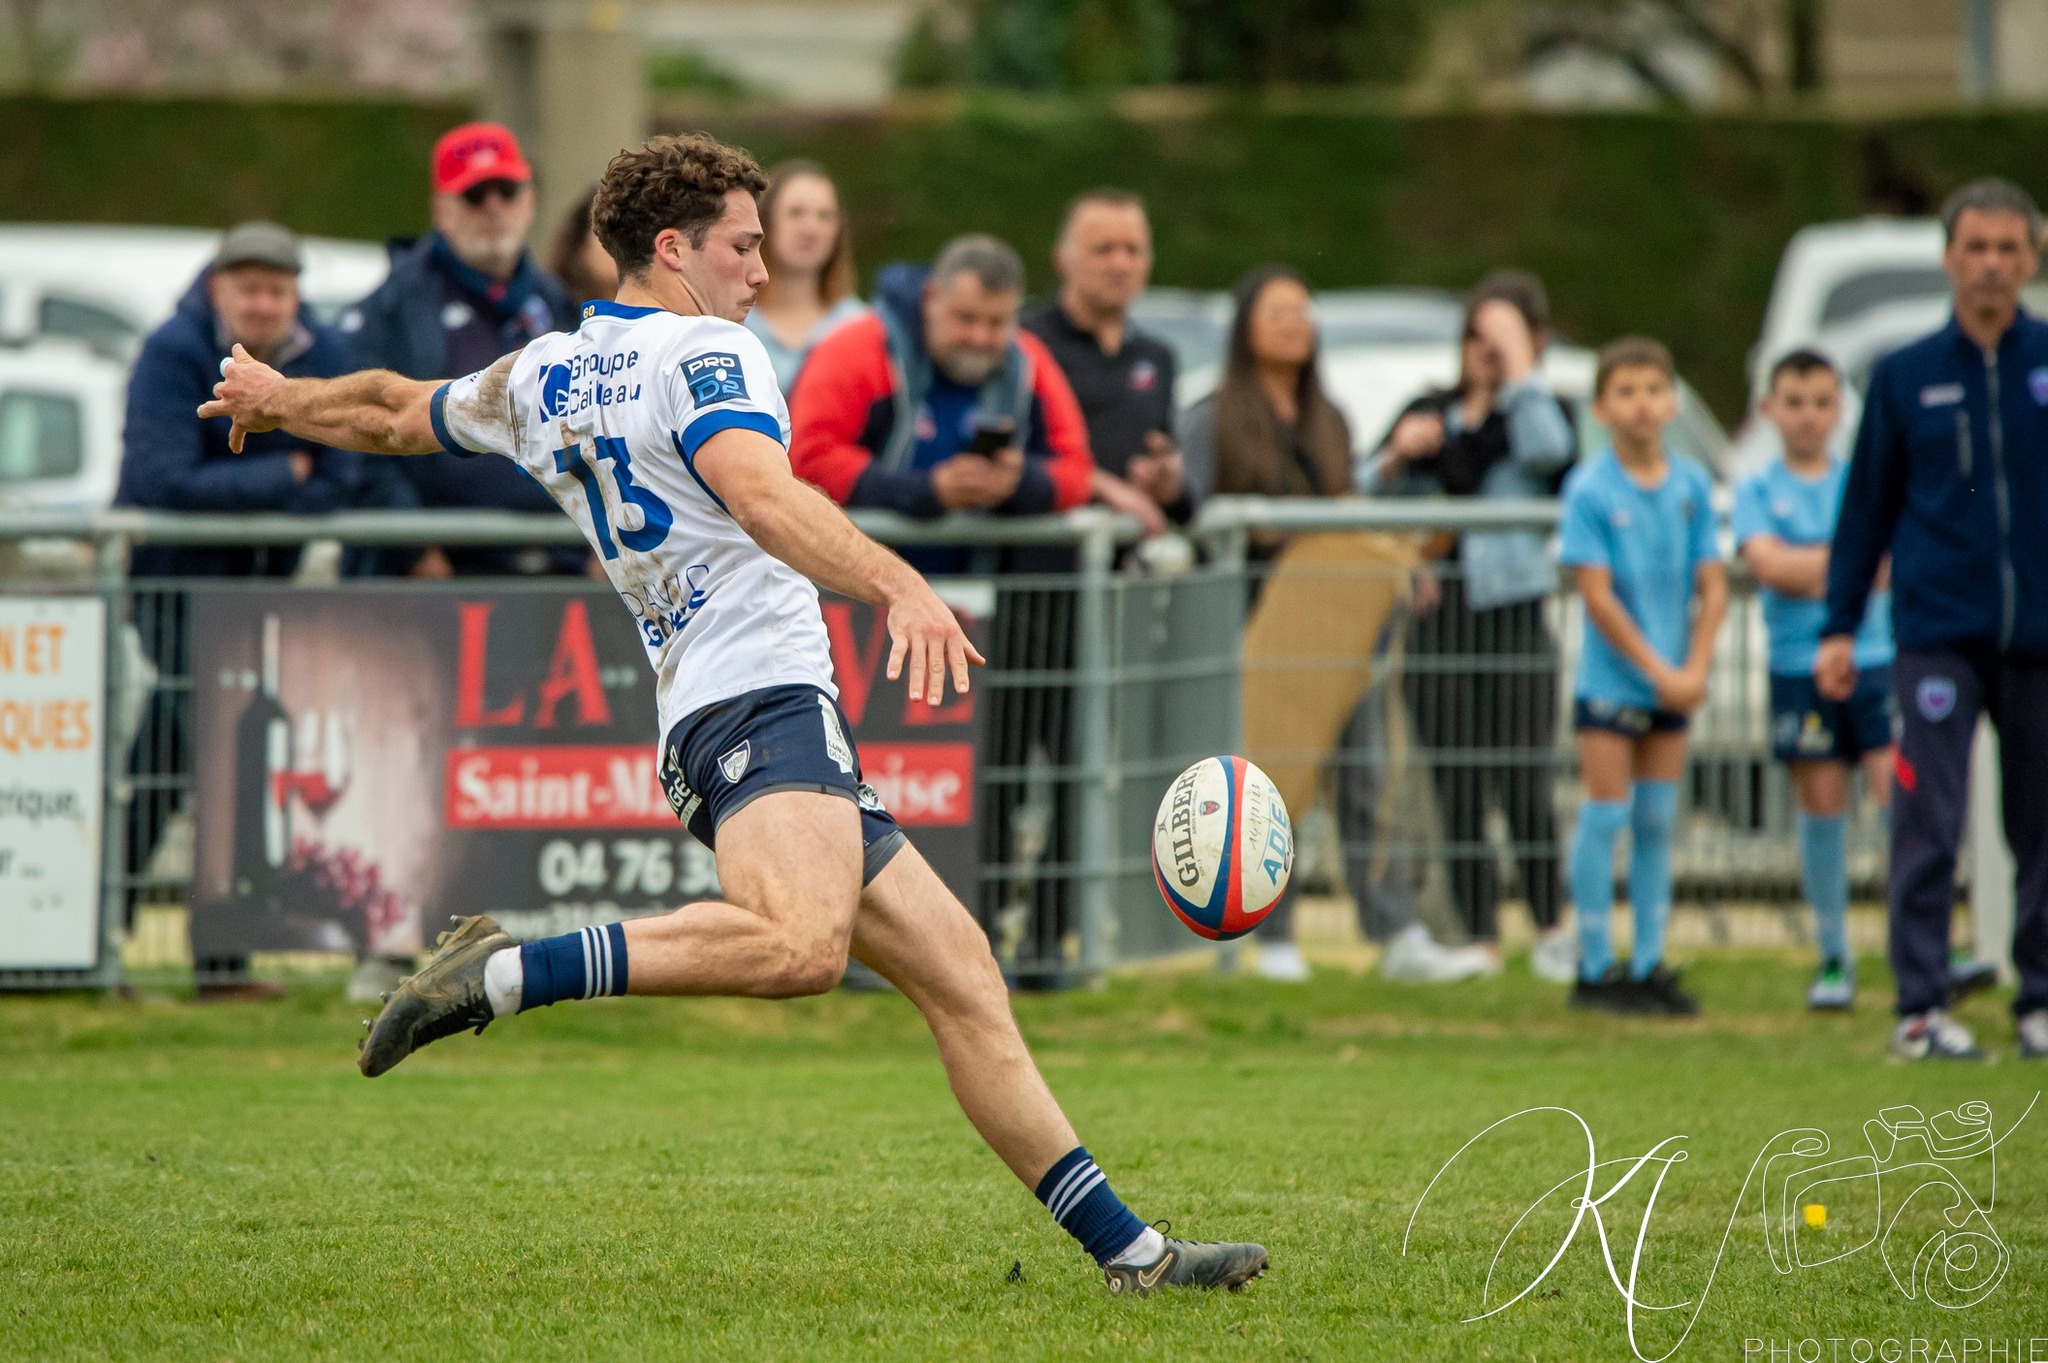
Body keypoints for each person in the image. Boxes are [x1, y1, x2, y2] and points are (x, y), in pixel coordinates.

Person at [202, 131, 1265, 1295]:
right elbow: (762, 495)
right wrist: (900, 583)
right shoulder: (708, 351)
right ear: (673, 249)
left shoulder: (546, 373)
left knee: (963, 976)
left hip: (722, 709)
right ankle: (507, 971)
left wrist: (280, 395)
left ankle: (1134, 1253)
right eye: (743, 245)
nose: (763, 270)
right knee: (800, 949)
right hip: (755, 697)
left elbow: (396, 409)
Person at [1820, 177, 2048, 1063]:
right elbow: (1864, 509)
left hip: (2037, 641)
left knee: (2040, 828)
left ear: (2030, 257)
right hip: (1935, 640)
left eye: (2008, 249)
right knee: (1927, 821)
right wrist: (1840, 626)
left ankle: (2037, 1000)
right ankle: (1920, 1005)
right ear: (1949, 258)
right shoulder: (1905, 375)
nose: (1991, 265)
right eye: (1975, 248)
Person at [115, 222, 363, 999]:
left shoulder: (322, 356)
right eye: (249, 288)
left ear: (296, 295)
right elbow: (159, 480)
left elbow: (342, 475)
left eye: (277, 289)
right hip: (176, 591)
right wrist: (281, 474)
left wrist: (270, 483)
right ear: (218, 287)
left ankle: (98, 936)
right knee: (217, 765)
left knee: (168, 765)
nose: (263, 303)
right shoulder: (173, 351)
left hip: (261, 599)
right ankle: (214, 963)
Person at [1367, 272, 1577, 981]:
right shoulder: (1430, 415)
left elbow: (1551, 451)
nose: (1485, 351)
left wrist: (1522, 372)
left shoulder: (1536, 415)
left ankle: (1553, 926)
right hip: (1439, 624)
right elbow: (1367, 490)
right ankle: (1480, 935)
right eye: (1477, 336)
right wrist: (1401, 450)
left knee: (1524, 782)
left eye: (1503, 338)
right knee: (1457, 784)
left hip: (1513, 617)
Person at [1179, 266, 1351, 983]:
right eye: (1278, 310)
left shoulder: (1330, 419)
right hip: (1246, 628)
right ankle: (1264, 932)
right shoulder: (1211, 416)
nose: (1294, 322)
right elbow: (1191, 517)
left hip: (1325, 627)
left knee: (1352, 773)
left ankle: (1391, 927)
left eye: (1303, 310)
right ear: (1246, 325)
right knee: (1259, 788)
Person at [1556, 337, 1727, 1016]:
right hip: (1615, 682)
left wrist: (1696, 667)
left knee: (1658, 818)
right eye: (1625, 391)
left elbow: (1713, 585)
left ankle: (1650, 958)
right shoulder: (1590, 489)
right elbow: (1598, 597)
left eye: (1653, 389)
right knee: (1606, 812)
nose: (1641, 404)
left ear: (1673, 399)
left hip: (1674, 682)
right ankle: (1595, 966)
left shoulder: (1689, 484)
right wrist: (1659, 670)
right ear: (1601, 407)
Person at [340, 121, 582, 578]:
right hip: (434, 579)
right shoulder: (391, 310)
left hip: (555, 574)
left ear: (528, 202)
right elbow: (361, 432)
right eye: (474, 195)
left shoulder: (556, 304)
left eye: (506, 191)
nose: (492, 207)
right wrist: (414, 550)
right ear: (441, 210)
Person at [1733, 350, 1895, 1011]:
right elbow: (1769, 567)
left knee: (1900, 800)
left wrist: (1818, 565)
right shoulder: (1756, 488)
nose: (1808, 416)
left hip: (1875, 656)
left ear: (1840, 410)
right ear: (1770, 409)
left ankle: (1926, 940)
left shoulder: (1866, 480)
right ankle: (1834, 954)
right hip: (1797, 667)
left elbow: (1888, 563)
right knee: (1822, 805)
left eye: (1822, 402)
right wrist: (1847, 563)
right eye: (1794, 402)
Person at [788, 233, 1095, 577]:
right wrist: (926, 492)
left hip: (982, 601)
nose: (979, 337)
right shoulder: (855, 349)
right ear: (932, 298)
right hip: (853, 595)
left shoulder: (1029, 362)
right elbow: (807, 458)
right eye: (965, 319)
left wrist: (1019, 483)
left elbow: (1077, 471)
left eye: (996, 323)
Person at [1021, 189, 1190, 537]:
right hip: (1044, 567)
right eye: (1104, 250)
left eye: (1134, 250)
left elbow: (1183, 499)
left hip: (1129, 571)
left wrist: (1167, 483)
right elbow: (1002, 465)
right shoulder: (1023, 343)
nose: (1121, 264)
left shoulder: (1157, 357)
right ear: (1061, 259)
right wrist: (1099, 486)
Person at [745, 160, 867, 394]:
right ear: (765, 221)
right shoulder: (734, 322)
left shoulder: (858, 325)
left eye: (825, 216)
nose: (811, 228)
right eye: (796, 213)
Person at [547, 184, 619, 307]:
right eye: (612, 228)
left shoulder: (656, 319)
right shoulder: (552, 309)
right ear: (580, 242)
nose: (625, 242)